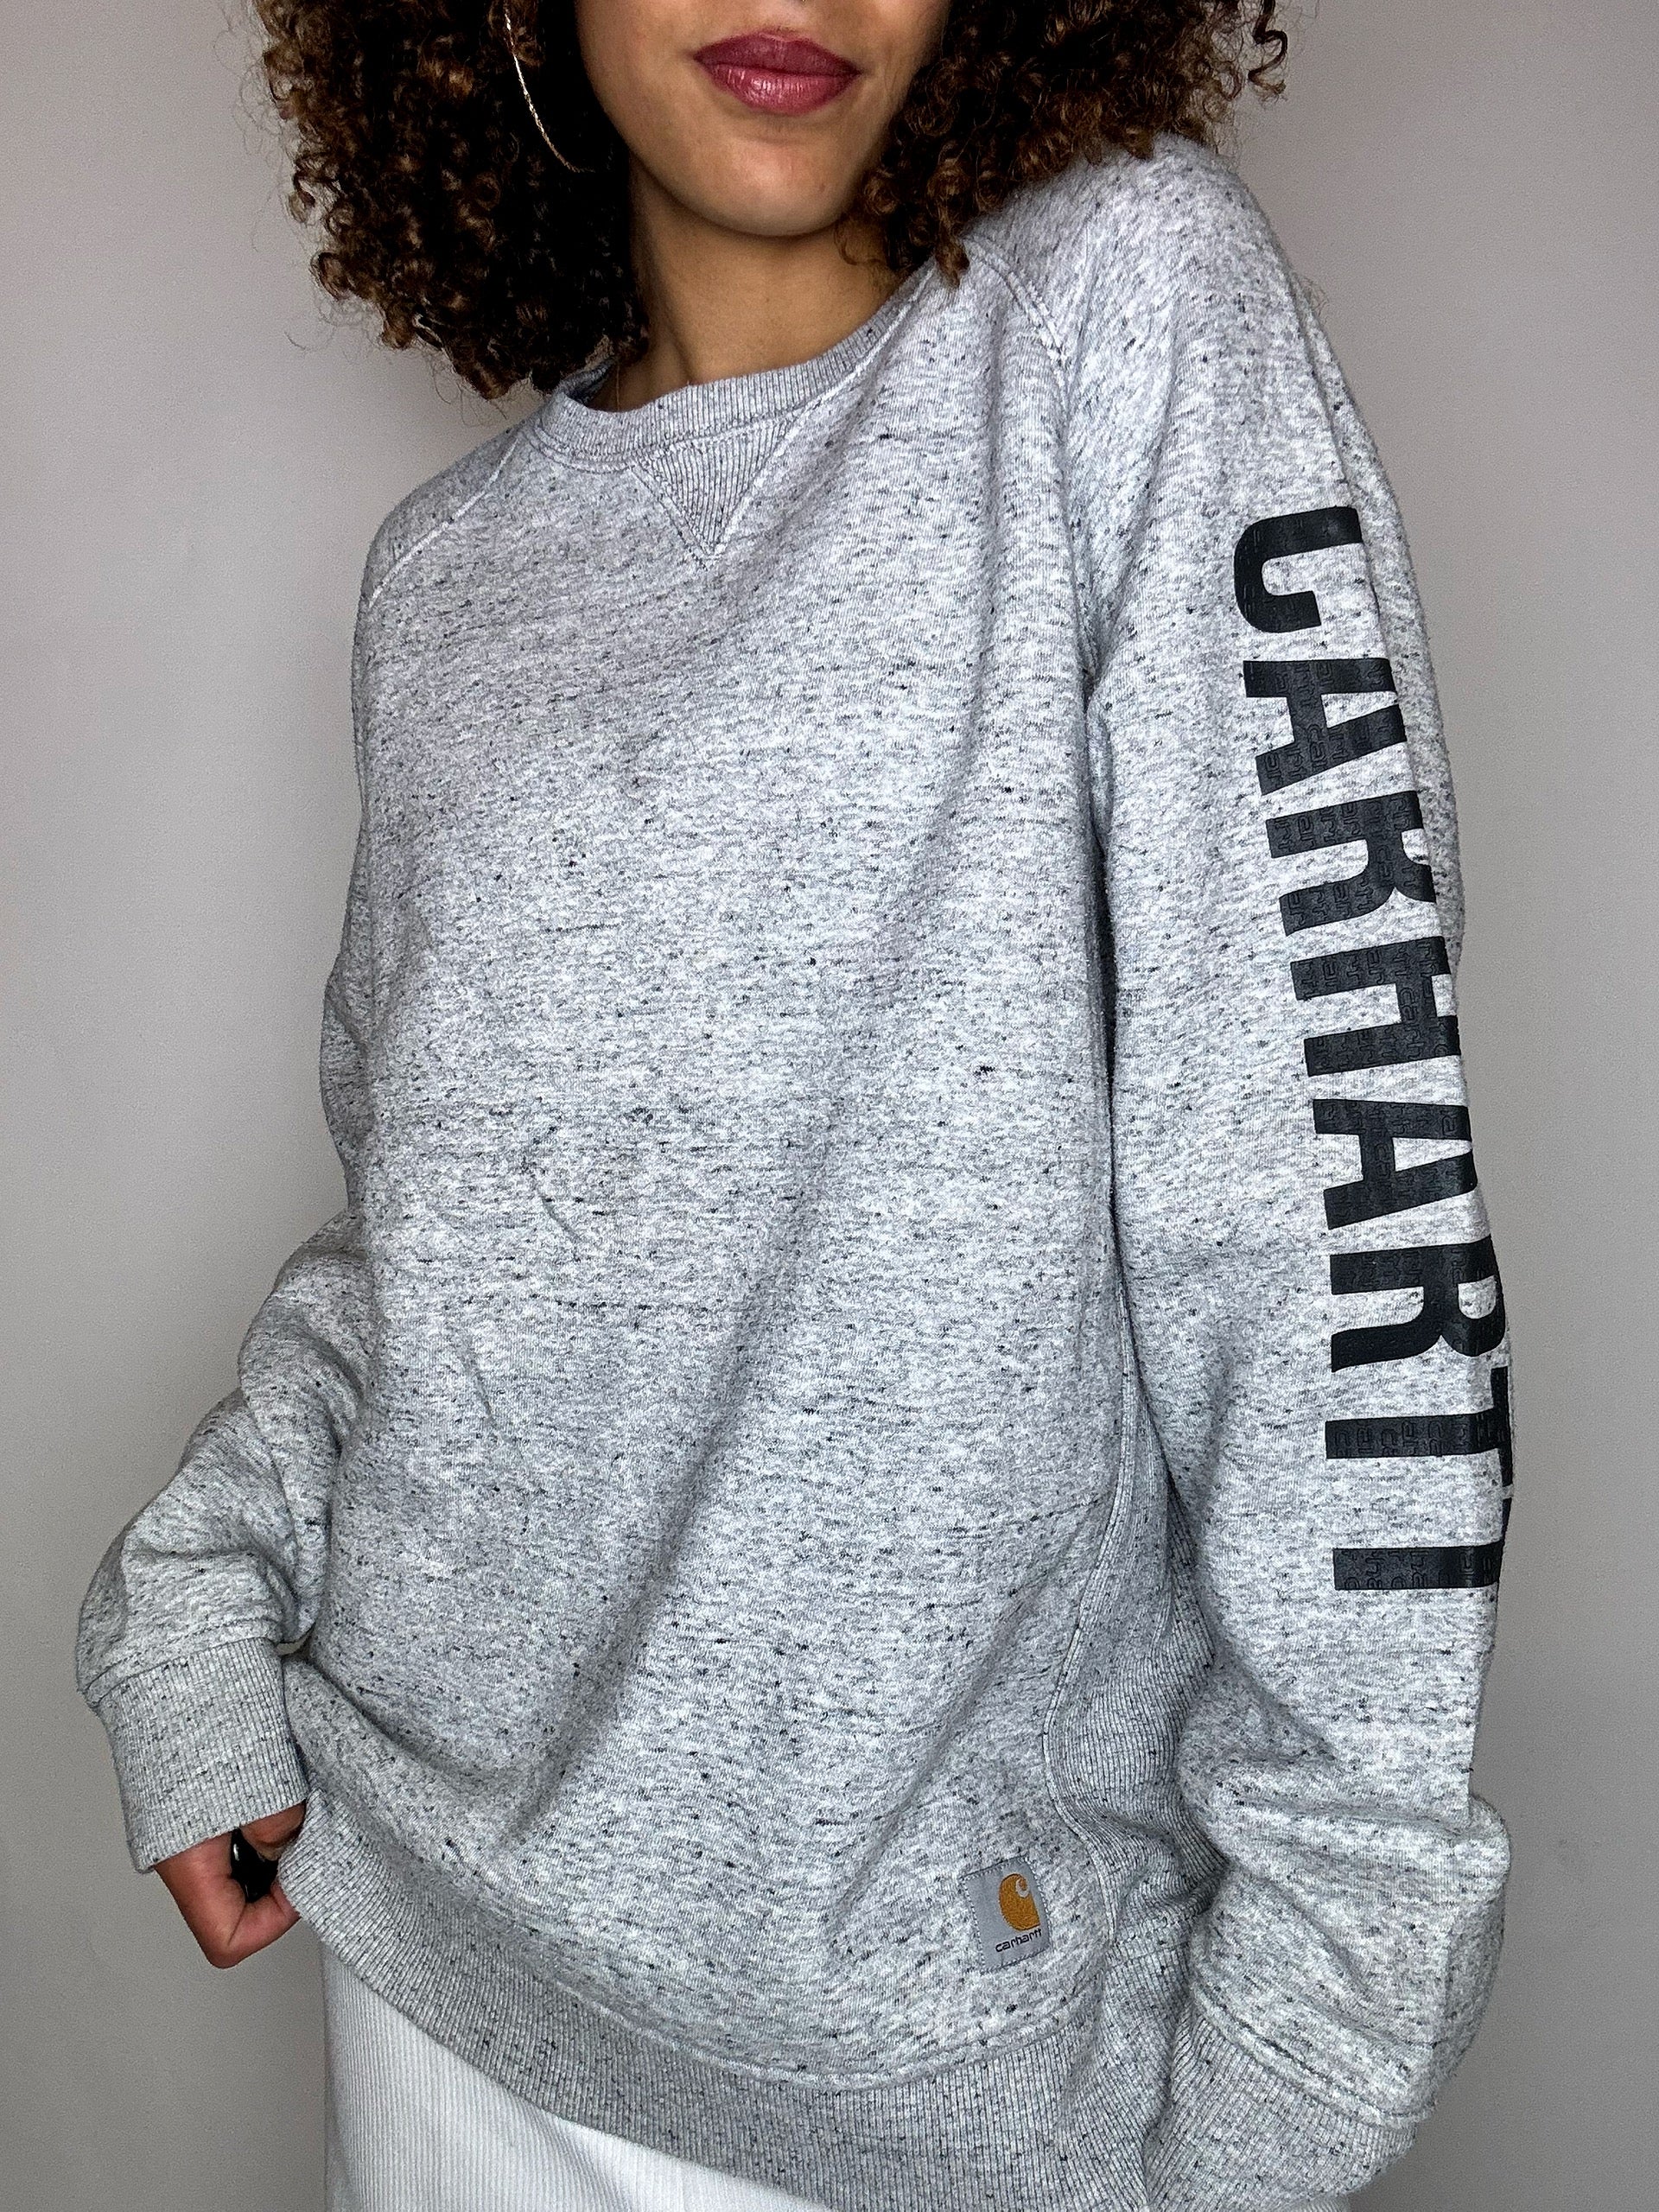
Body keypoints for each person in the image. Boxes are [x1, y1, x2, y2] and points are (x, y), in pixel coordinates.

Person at [75, 3, 1516, 2209]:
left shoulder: (1124, 308)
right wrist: (195, 1591)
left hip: (937, 2088)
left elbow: (1336, 1235)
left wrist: (1297, 2080)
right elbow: (434, 1238)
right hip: (428, 1975)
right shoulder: (445, 581)